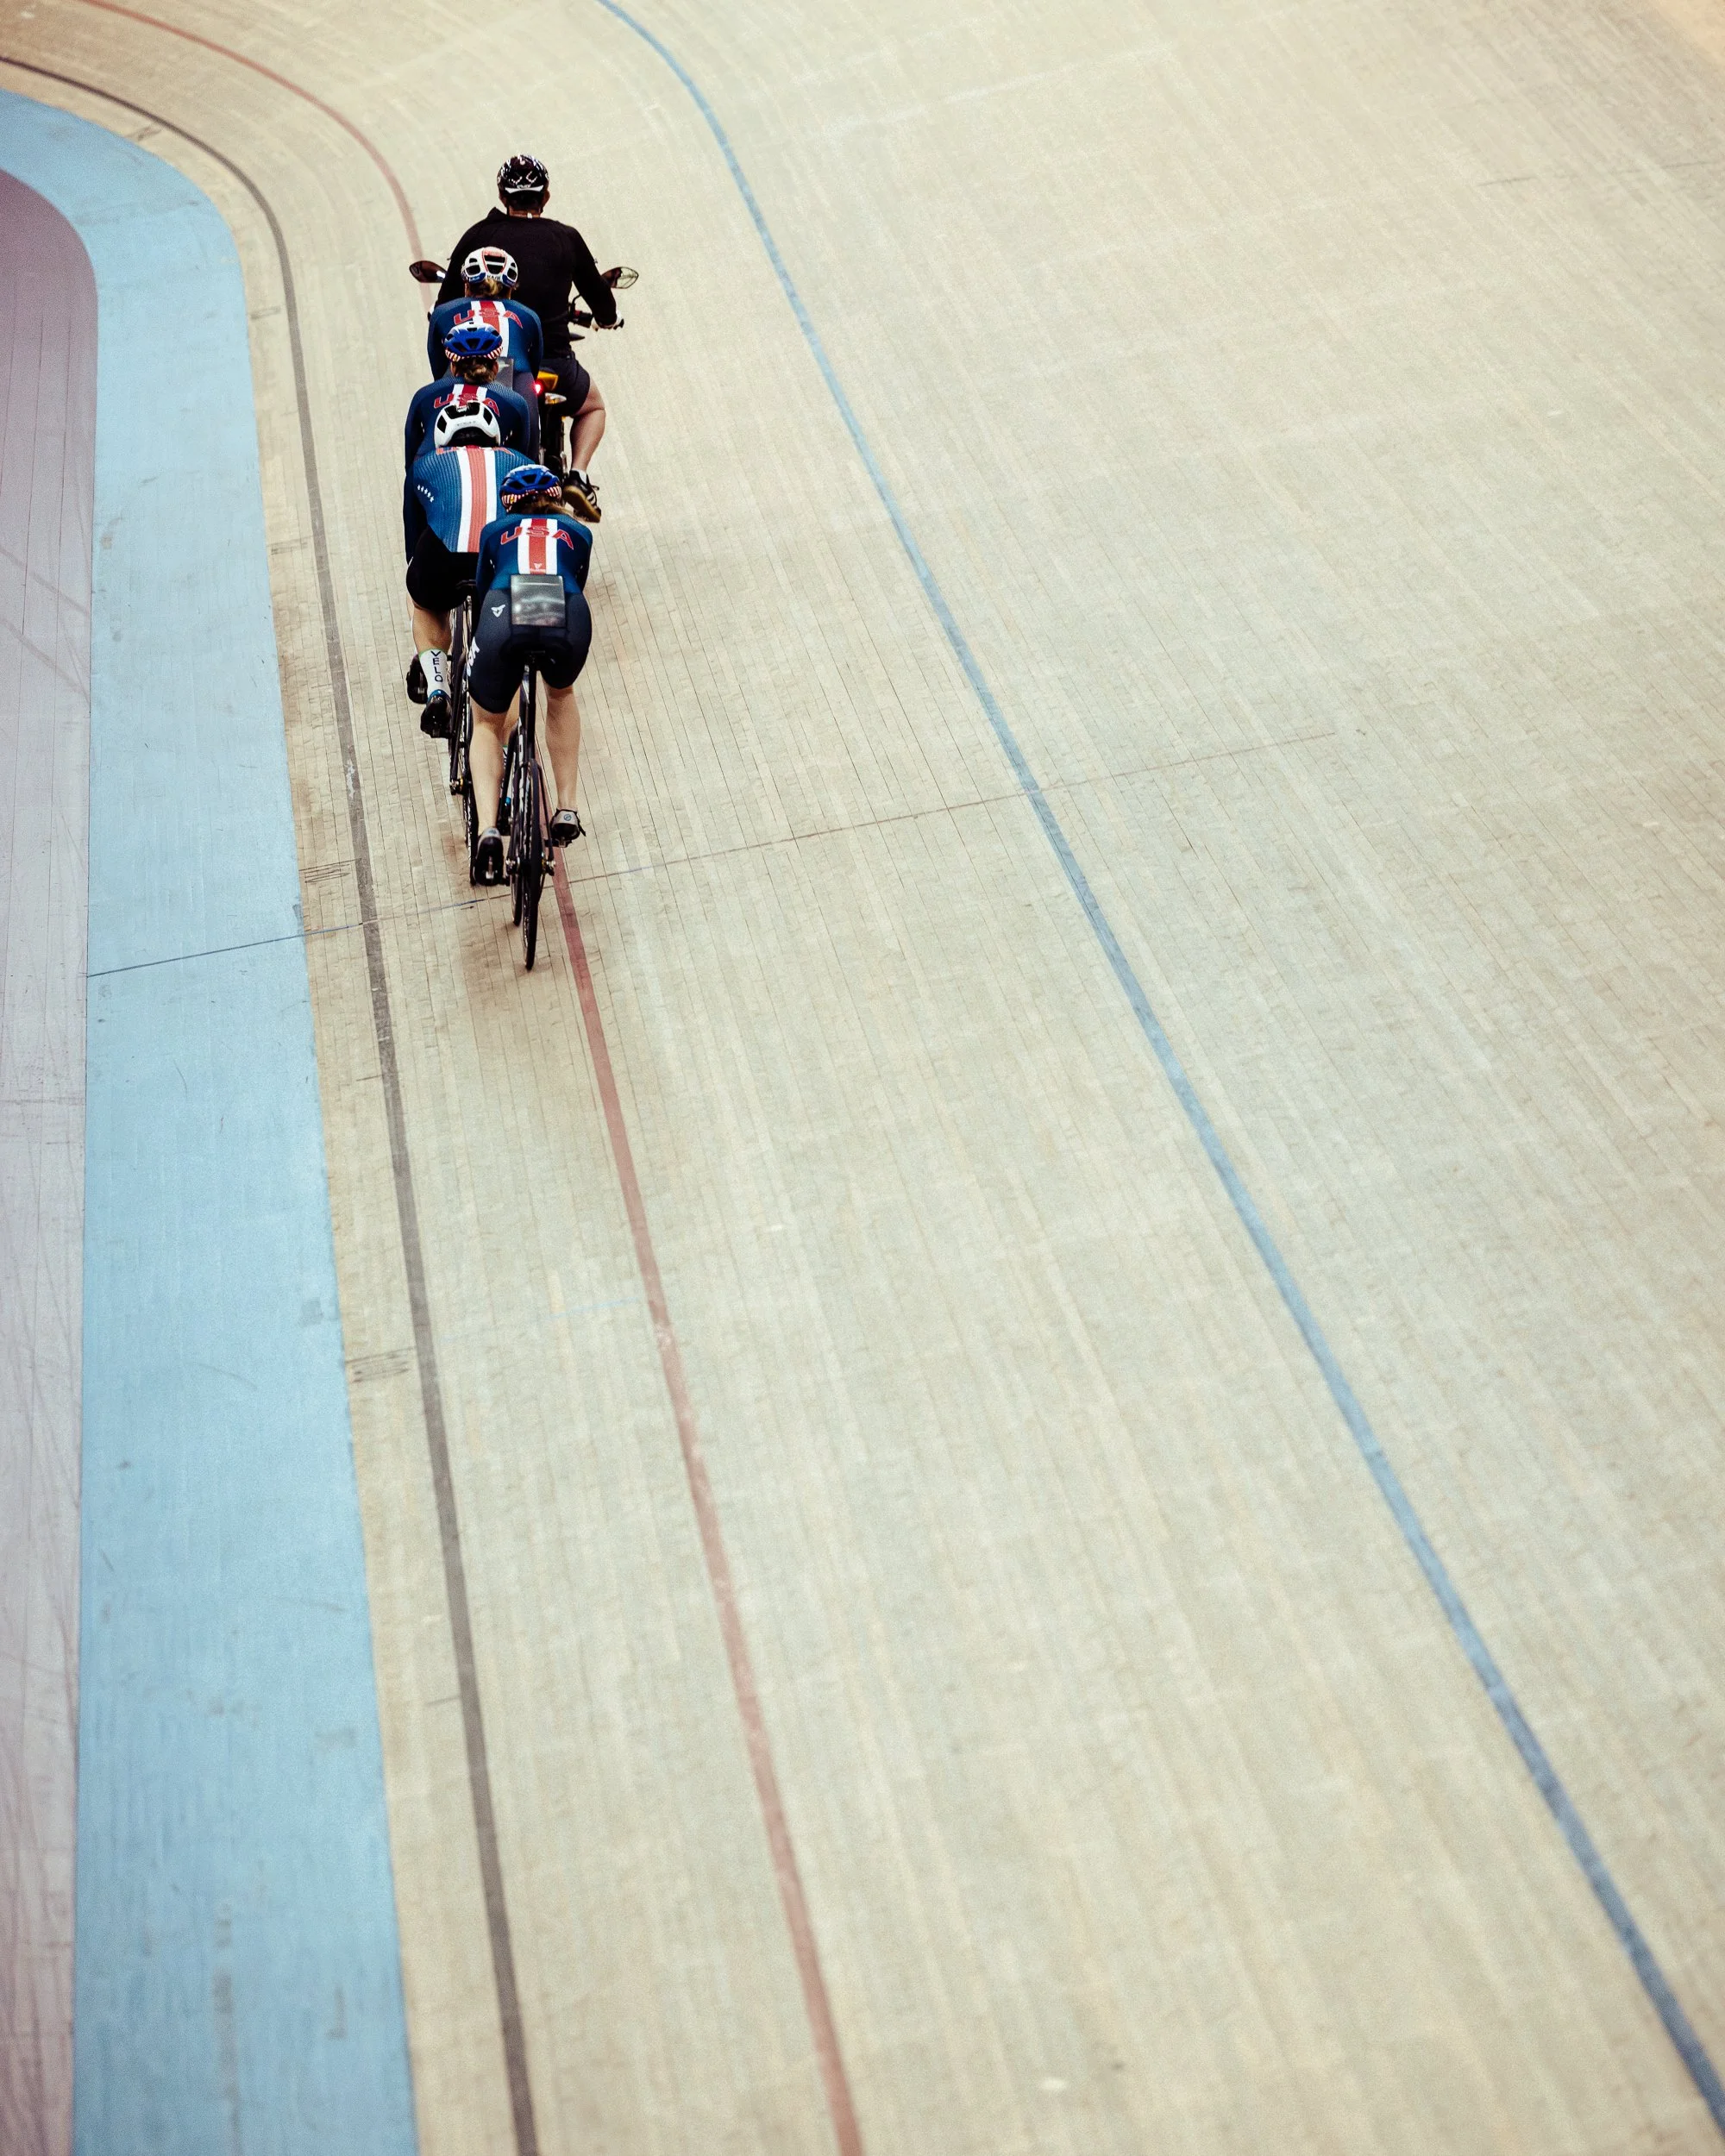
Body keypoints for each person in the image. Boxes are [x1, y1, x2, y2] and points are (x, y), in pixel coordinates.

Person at [436, 154, 617, 522]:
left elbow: (446, 302)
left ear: (502, 196)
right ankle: (579, 476)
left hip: (491, 366)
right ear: (545, 196)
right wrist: (609, 318)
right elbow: (603, 302)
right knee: (593, 406)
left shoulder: (479, 236)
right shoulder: (566, 238)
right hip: (554, 365)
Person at [466, 462, 595, 881]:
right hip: (565, 606)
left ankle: (488, 828)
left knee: (485, 722)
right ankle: (567, 807)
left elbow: (483, 594)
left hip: (504, 607)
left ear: (506, 505)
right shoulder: (580, 533)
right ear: (556, 500)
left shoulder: (492, 534)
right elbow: (577, 579)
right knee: (561, 693)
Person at [403, 400, 532, 736]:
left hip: (444, 554)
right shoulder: (520, 462)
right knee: (508, 647)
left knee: (425, 606)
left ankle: (437, 688)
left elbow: (414, 526)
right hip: (498, 558)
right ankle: (503, 746)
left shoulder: (427, 463)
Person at [426, 248, 545, 454]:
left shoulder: (442, 312)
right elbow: (534, 362)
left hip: (457, 375)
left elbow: (437, 364)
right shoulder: (529, 315)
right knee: (530, 426)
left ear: (466, 286)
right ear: (510, 290)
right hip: (516, 377)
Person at [404, 323, 533, 468]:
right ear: (496, 367)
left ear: (453, 367)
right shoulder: (515, 401)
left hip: (439, 470)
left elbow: (410, 452)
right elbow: (523, 457)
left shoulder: (424, 396)